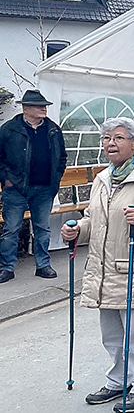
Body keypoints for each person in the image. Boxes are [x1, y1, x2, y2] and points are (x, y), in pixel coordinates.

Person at [61, 117, 134, 413]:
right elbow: (96, 221)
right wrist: (78, 230)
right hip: (105, 271)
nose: (110, 144)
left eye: (118, 138)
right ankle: (119, 380)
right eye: (106, 139)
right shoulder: (104, 178)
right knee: (112, 335)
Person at [0, 90, 67, 283]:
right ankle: (7, 268)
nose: (44, 108)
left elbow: (61, 157)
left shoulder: (53, 129)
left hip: (44, 188)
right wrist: (6, 179)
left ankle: (43, 265)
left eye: (44, 105)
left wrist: (56, 177)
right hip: (15, 189)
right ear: (26, 108)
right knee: (11, 229)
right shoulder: (9, 129)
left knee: (42, 228)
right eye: (39, 106)